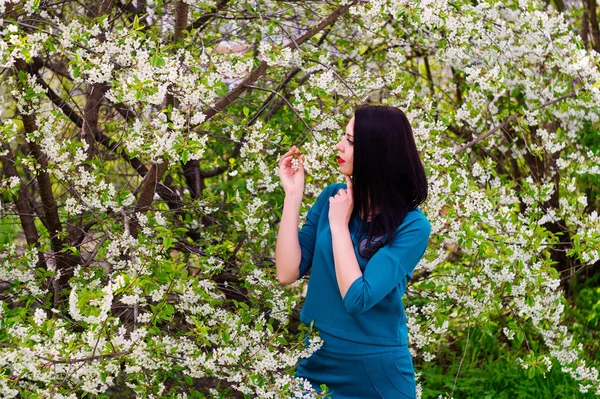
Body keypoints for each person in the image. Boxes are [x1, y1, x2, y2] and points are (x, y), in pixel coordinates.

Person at [276, 104, 431, 399]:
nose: (339, 145)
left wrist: (338, 225)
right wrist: (292, 195)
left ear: (377, 153)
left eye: (350, 141)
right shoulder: (333, 197)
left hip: (375, 373)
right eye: (343, 137)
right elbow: (287, 271)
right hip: (317, 359)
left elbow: (357, 297)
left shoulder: (412, 226)